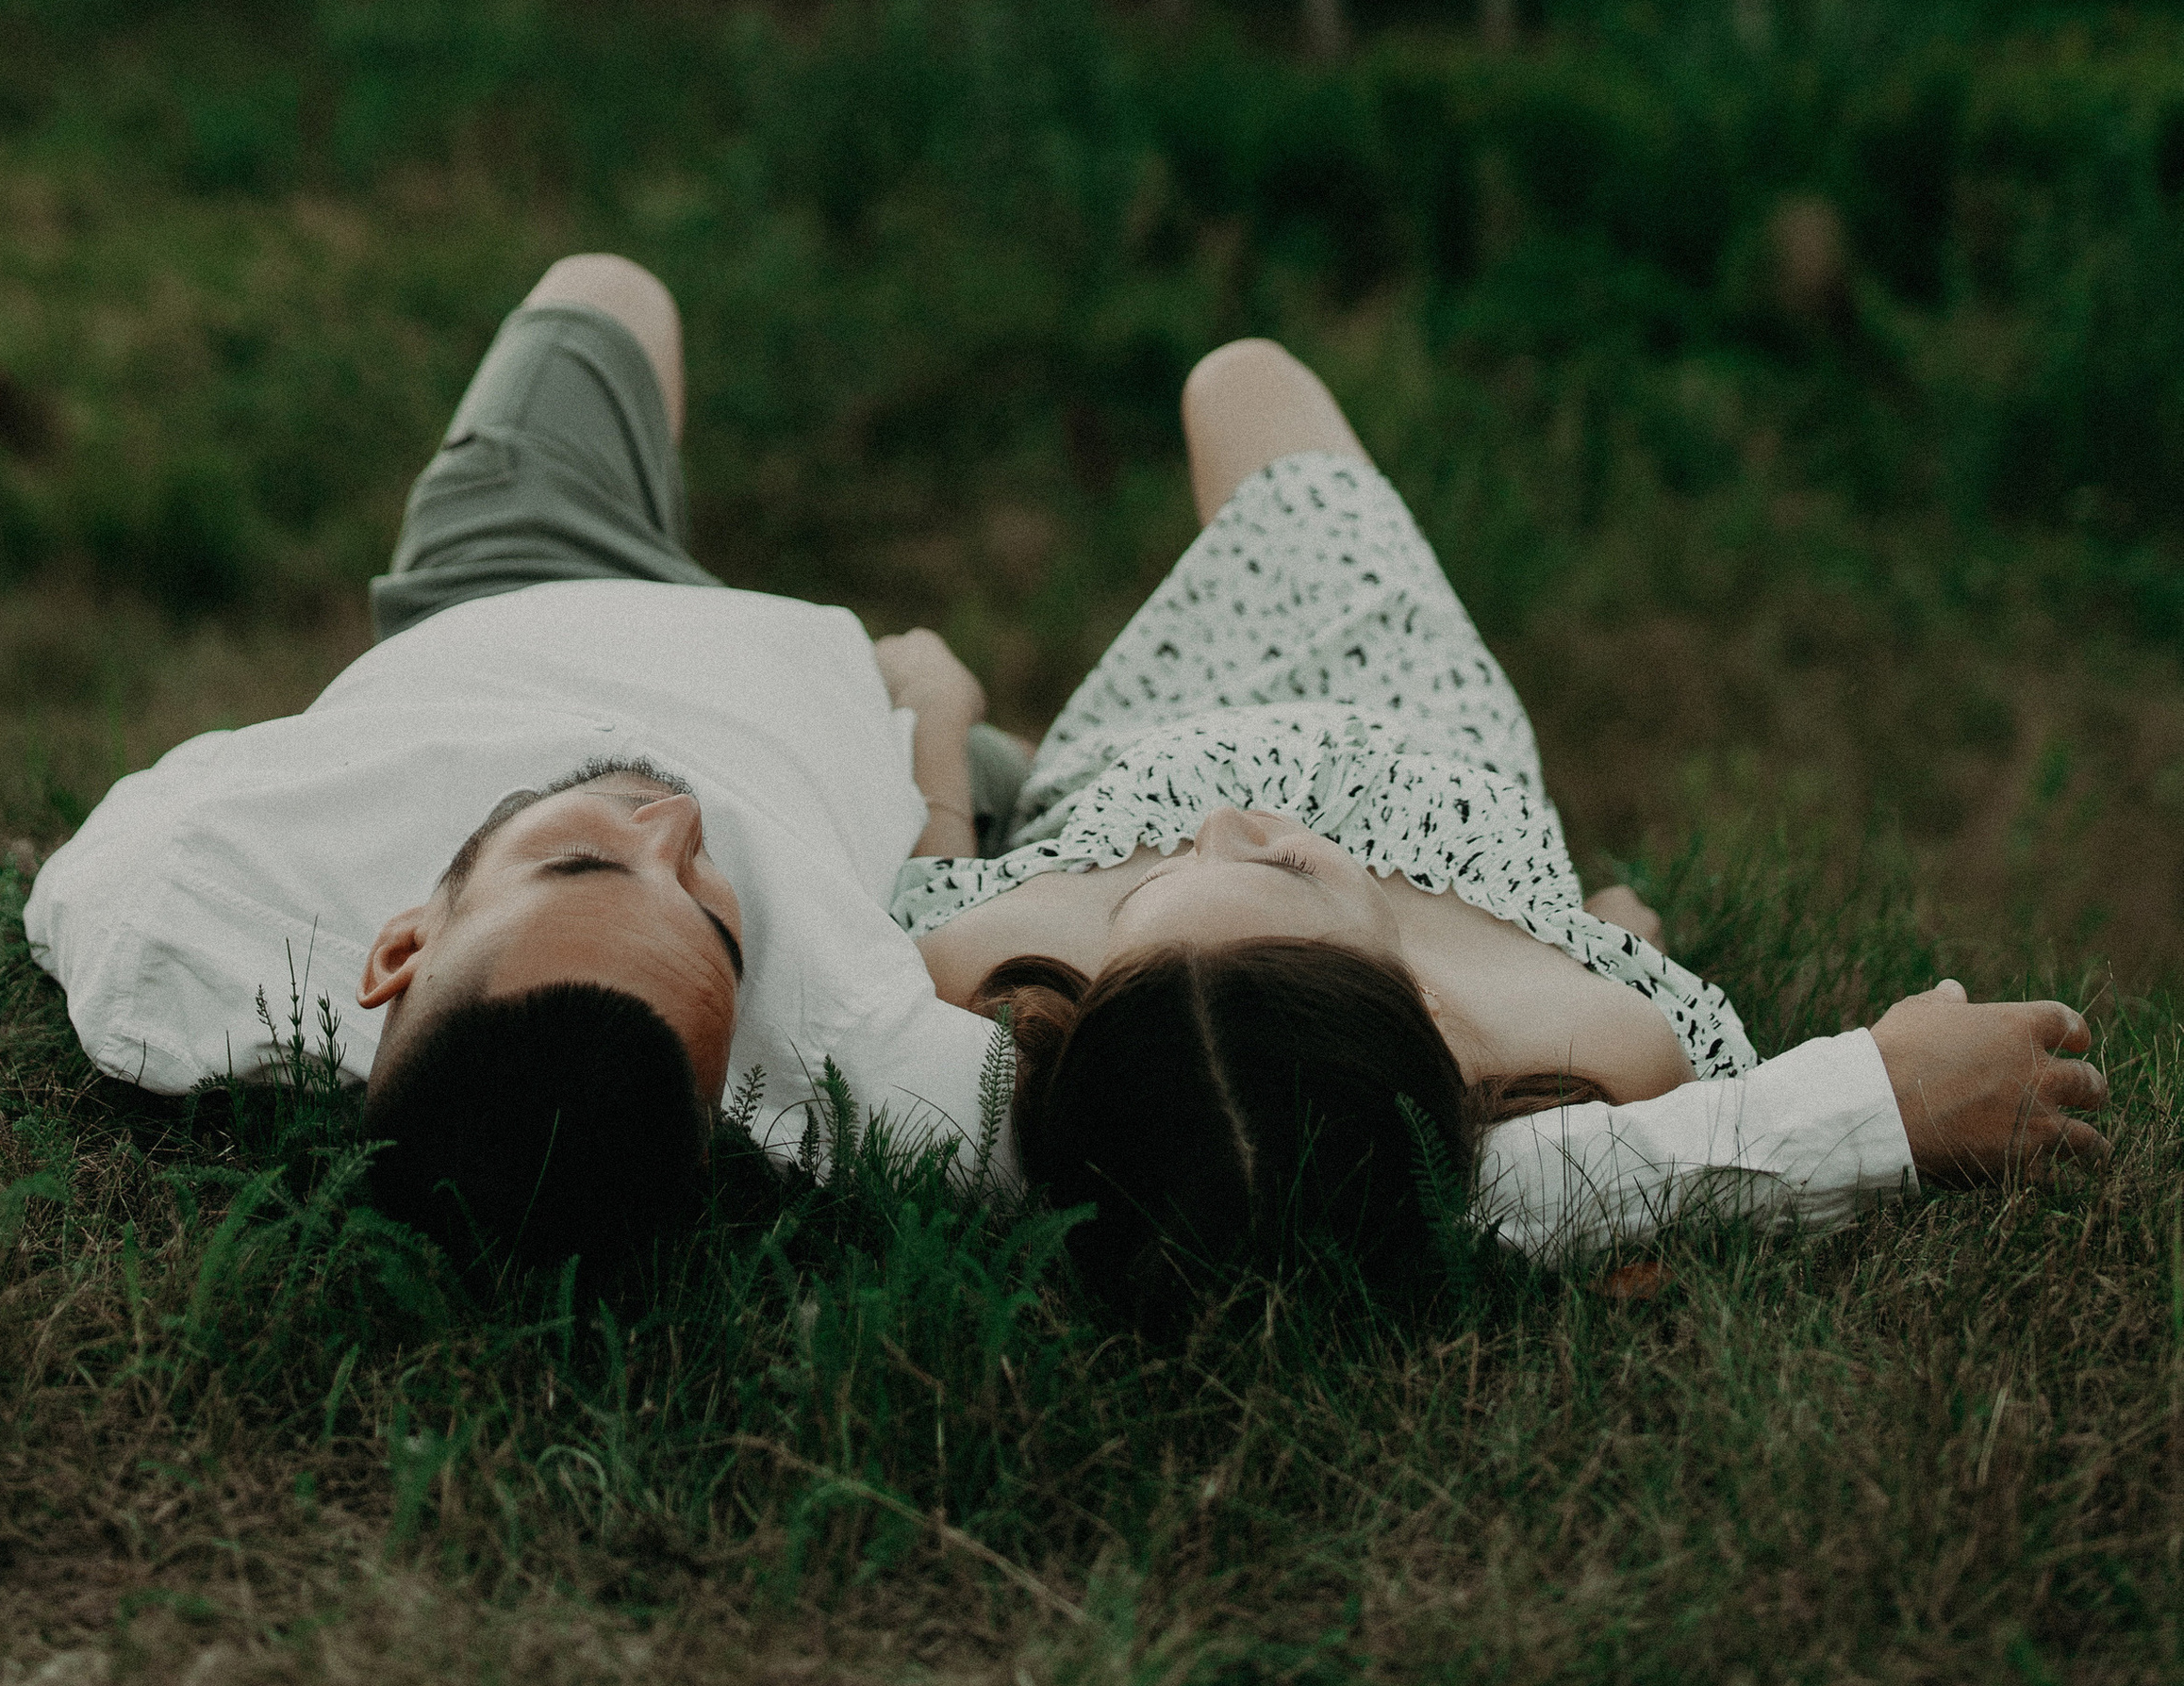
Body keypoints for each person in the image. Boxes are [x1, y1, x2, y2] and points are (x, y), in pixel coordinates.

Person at [896, 338, 2110, 1315]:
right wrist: (1614, 932)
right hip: (1406, 699)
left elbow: (930, 875)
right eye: (1286, 873)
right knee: (1245, 381)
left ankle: (1042, 764)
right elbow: (1685, 1112)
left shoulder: (996, 973)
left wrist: (940, 715)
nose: (1228, 823)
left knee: (1233, 383)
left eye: (1141, 894)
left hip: (1136, 737)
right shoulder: (1597, 1044)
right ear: (1402, 1007)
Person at [25, 256, 1014, 1281]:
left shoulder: (181, 911)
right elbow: (1034, 1096)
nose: (676, 822)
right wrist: (934, 716)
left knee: (608, 292)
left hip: (514, 585)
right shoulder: (846, 1043)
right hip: (856, 718)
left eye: (579, 865)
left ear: (400, 948)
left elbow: (109, 886)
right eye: (715, 920)